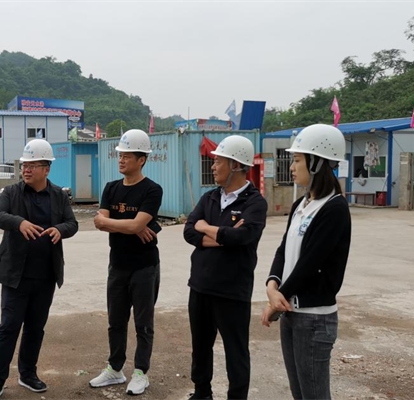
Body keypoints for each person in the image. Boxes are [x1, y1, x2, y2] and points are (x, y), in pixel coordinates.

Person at [0, 139, 78, 400]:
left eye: (33, 165)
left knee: (35, 328)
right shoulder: (11, 192)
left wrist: (60, 229)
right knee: (8, 327)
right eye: (25, 164)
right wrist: (19, 223)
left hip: (45, 275)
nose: (26, 169)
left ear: (46, 169)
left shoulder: (58, 195)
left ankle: (27, 374)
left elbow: (72, 223)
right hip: (16, 275)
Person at [261, 124, 352, 400]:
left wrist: (276, 300)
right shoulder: (301, 205)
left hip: (314, 319)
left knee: (314, 395)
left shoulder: (334, 208)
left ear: (316, 163)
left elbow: (310, 263)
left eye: (297, 160)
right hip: (291, 312)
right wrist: (272, 285)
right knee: (299, 393)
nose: (291, 167)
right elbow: (283, 249)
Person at [183, 135, 268, 400]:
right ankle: (202, 393)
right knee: (200, 347)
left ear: (235, 165)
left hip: (232, 291)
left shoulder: (255, 203)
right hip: (200, 286)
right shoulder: (209, 197)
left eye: (218, 161)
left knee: (236, 351)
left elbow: (243, 237)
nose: (213, 166)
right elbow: (189, 232)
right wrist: (223, 235)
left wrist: (207, 228)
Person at [90, 129, 163, 396]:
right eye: (120, 155)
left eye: (127, 156)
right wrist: (133, 226)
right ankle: (115, 369)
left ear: (141, 159)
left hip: (144, 267)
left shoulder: (152, 190)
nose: (121, 159)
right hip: (117, 265)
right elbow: (99, 223)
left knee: (143, 323)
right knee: (116, 321)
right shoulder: (111, 188)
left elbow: (115, 222)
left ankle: (141, 372)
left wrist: (129, 225)